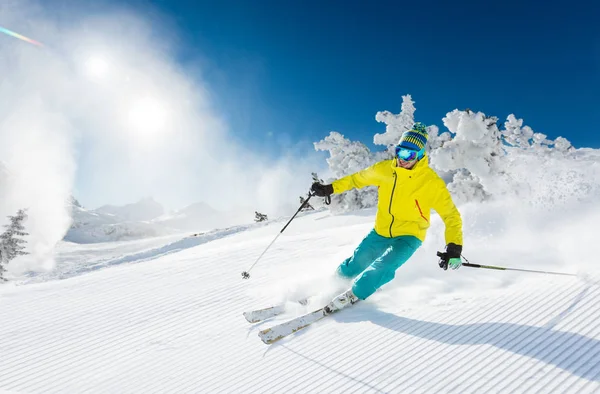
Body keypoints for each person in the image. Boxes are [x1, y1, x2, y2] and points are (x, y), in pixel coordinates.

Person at [311, 122, 463, 314]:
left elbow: (451, 215)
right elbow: (356, 179)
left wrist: (454, 246)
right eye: (400, 152)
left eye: (410, 155)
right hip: (382, 230)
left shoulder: (430, 183)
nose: (402, 159)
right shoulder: (384, 170)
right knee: (357, 262)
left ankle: (355, 294)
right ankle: (333, 285)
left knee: (384, 266)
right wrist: (330, 188)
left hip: (410, 234)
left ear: (420, 156)